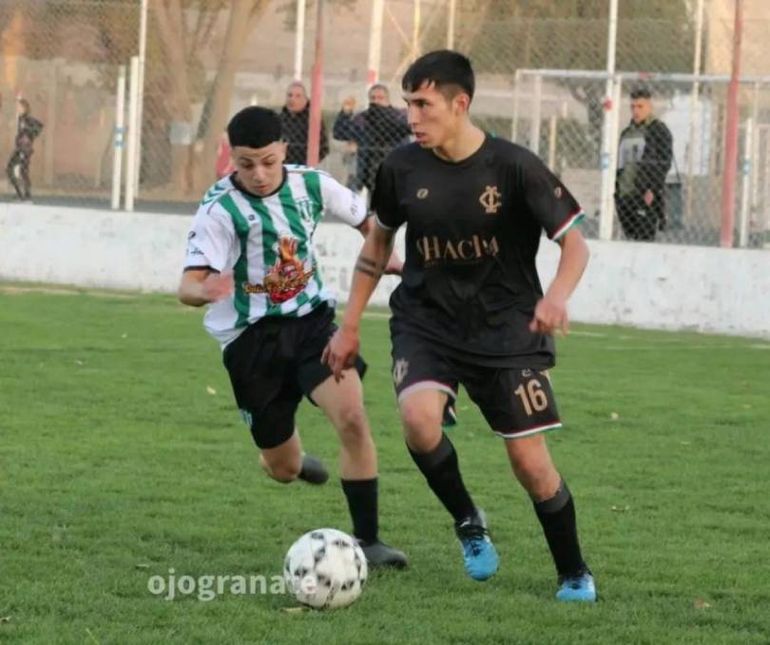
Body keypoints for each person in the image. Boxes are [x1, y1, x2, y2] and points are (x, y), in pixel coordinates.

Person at [323, 50, 596, 601]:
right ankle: (469, 519)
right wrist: (349, 324)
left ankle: (573, 571)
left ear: (459, 103)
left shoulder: (514, 166)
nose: (411, 117)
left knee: (529, 462)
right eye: (408, 105)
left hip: (508, 331)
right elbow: (378, 245)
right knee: (419, 422)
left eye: (423, 104)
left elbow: (574, 243)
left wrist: (558, 297)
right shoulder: (400, 168)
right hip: (427, 322)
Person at [178, 106, 406, 568]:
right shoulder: (220, 209)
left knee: (353, 419)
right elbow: (187, 284)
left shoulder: (313, 184)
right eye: (245, 164)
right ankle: (294, 463)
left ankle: (369, 542)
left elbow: (369, 224)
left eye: (267, 160)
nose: (258, 174)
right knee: (280, 469)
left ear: (284, 148)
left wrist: (392, 259)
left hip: (311, 325)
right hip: (250, 343)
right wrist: (204, 289)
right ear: (232, 159)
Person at [615, 86, 673, 241]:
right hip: (625, 195)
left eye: (640, 106)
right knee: (630, 239)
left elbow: (663, 163)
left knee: (644, 240)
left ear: (649, 107)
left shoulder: (658, 130)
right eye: (633, 107)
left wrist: (652, 189)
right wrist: (617, 192)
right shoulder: (627, 133)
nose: (636, 111)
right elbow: (620, 164)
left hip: (645, 194)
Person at [332, 84, 411, 194]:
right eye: (373, 98)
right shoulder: (363, 118)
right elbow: (339, 133)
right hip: (368, 170)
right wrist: (346, 113)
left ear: (387, 99)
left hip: (394, 170)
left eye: (380, 98)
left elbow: (407, 129)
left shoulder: (398, 116)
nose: (376, 101)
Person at [280, 81, 329, 166]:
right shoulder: (280, 118)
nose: (292, 99)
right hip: (282, 165)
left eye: (298, 96)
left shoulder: (313, 120)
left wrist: (307, 163)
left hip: (304, 166)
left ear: (305, 99)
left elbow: (323, 148)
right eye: (290, 95)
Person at [6, 98, 44, 202]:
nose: (17, 108)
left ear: (24, 108)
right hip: (20, 149)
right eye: (17, 107)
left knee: (20, 170)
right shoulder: (21, 118)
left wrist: (29, 136)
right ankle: (22, 195)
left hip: (24, 150)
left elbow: (39, 126)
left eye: (19, 107)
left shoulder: (27, 119)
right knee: (15, 170)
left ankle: (25, 196)